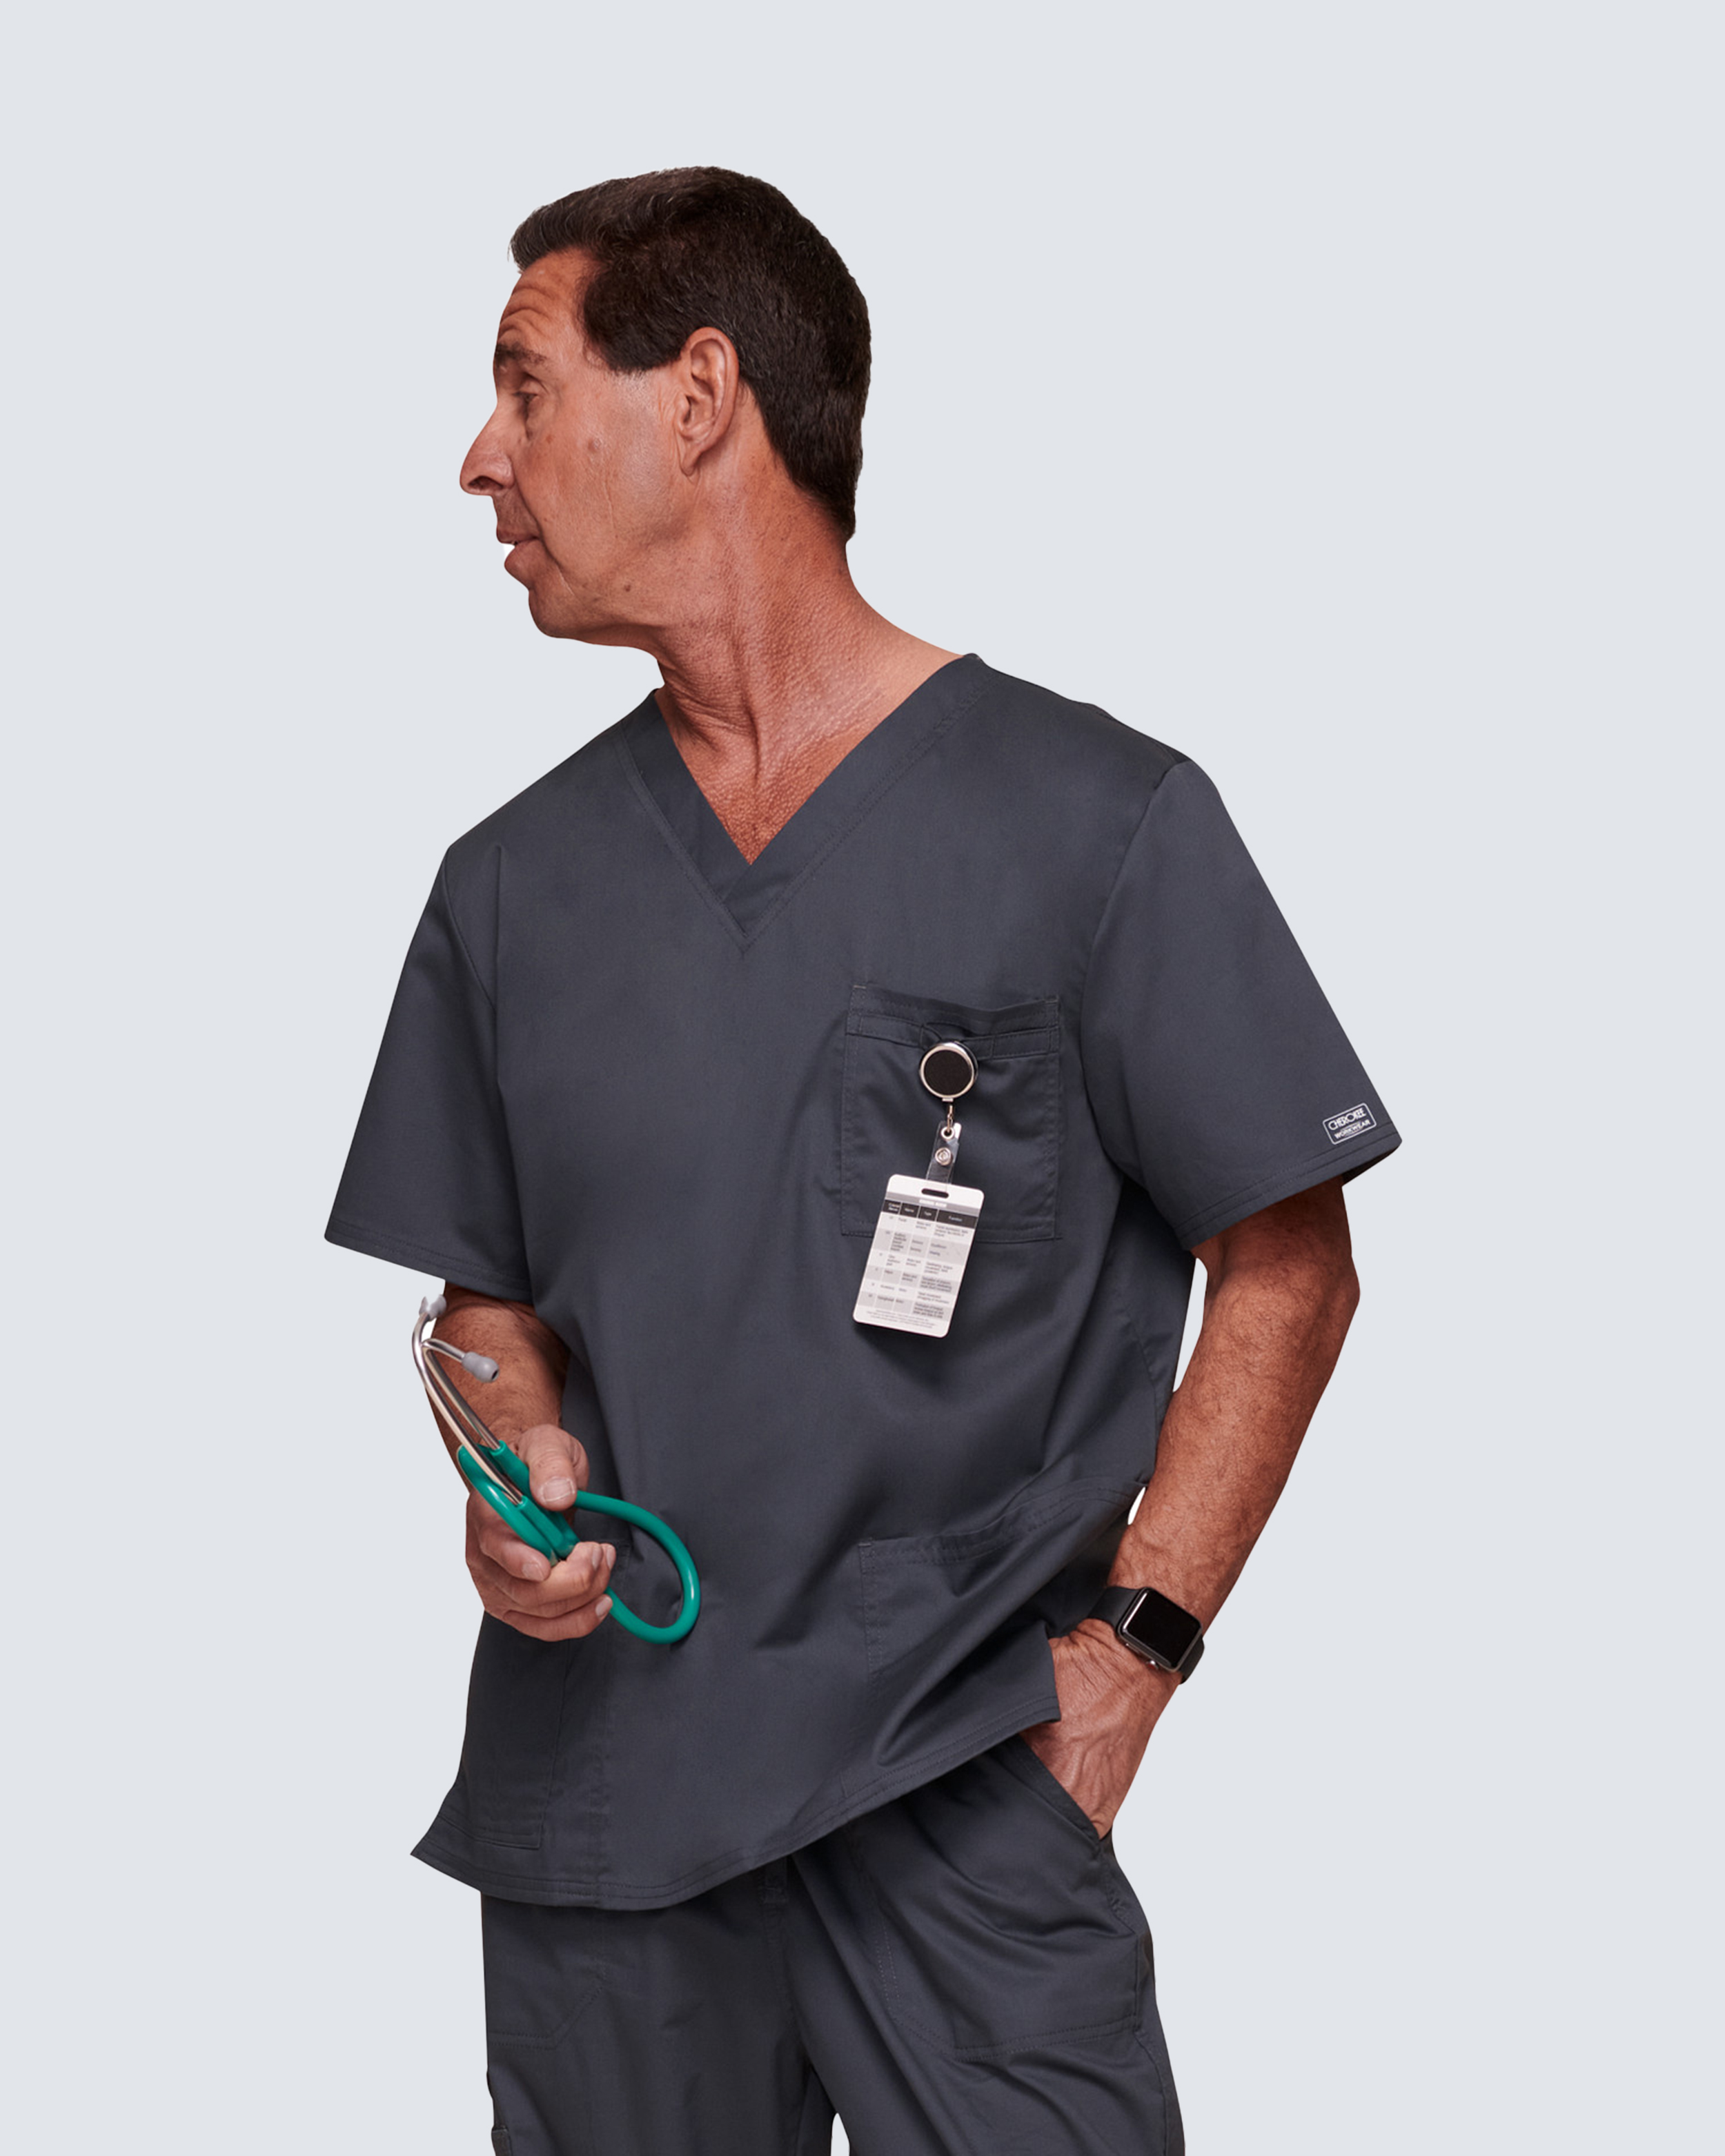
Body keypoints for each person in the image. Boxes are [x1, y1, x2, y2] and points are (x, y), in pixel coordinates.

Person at [328, 167, 1399, 2156]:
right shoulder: (510, 891)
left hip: (959, 1795)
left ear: (699, 396)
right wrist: (508, 1466)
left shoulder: (1096, 825)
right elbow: (482, 1307)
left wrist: (1138, 1654)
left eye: (524, 386)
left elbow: (1288, 1263)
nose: (480, 457)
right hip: (607, 1819)